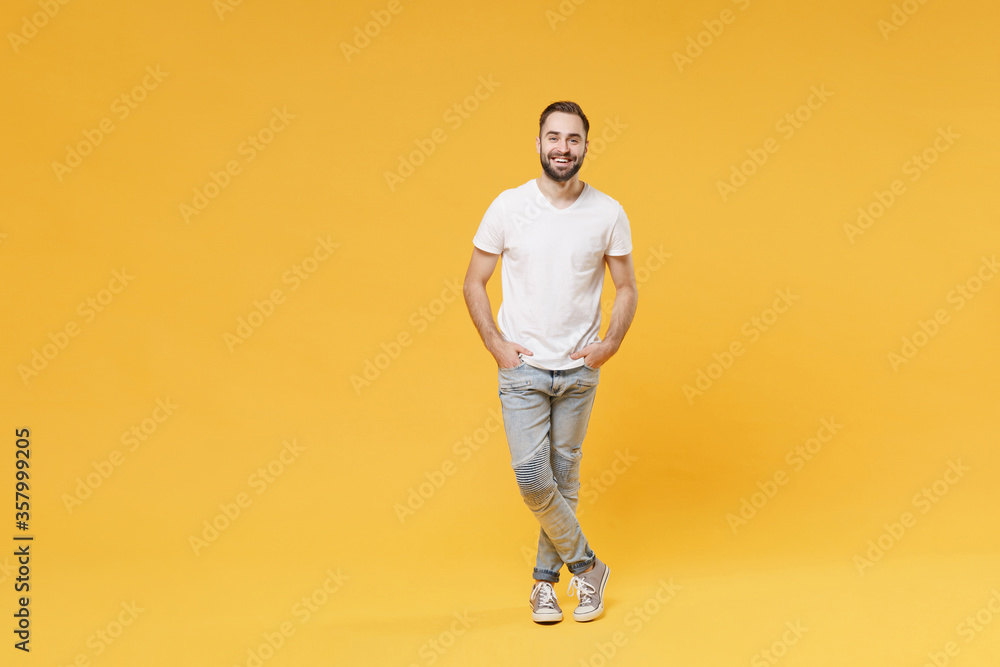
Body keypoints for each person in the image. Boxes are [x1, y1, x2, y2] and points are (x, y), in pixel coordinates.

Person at [463, 101, 638, 623]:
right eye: (554, 137)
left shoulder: (608, 212)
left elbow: (627, 286)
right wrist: (496, 344)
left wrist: (610, 344)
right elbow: (474, 279)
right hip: (524, 370)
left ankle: (545, 584)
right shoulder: (508, 206)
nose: (563, 148)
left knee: (563, 478)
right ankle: (588, 568)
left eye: (574, 139)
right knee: (532, 479)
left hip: (580, 369)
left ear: (586, 145)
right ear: (538, 142)